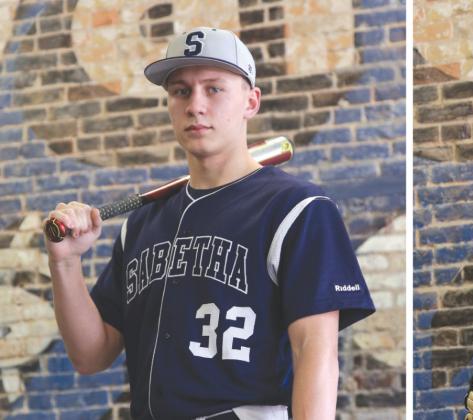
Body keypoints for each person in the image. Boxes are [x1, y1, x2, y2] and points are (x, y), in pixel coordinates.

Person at [44, 27, 375, 420]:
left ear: (251, 101)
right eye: (181, 91)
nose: (195, 105)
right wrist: (65, 263)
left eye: (214, 89)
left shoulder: (298, 209)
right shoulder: (143, 223)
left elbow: (315, 352)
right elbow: (90, 356)